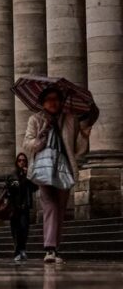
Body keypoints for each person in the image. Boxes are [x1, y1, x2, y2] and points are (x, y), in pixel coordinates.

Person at [23, 87, 96, 264]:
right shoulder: (36, 119)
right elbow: (27, 144)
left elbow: (77, 149)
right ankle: (49, 248)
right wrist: (41, 135)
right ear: (43, 102)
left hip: (63, 167)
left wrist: (84, 135)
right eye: (49, 99)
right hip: (43, 166)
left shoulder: (70, 119)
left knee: (61, 209)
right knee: (50, 206)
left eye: (56, 99)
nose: (53, 102)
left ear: (61, 101)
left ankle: (55, 248)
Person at [7, 153, 37, 262]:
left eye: (24, 160)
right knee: (16, 230)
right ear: (16, 162)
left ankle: (22, 249)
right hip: (14, 208)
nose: (22, 162)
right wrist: (15, 183)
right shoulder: (12, 174)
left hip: (25, 207)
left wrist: (28, 176)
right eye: (19, 160)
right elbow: (9, 188)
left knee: (24, 228)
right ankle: (17, 252)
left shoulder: (28, 175)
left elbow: (35, 188)